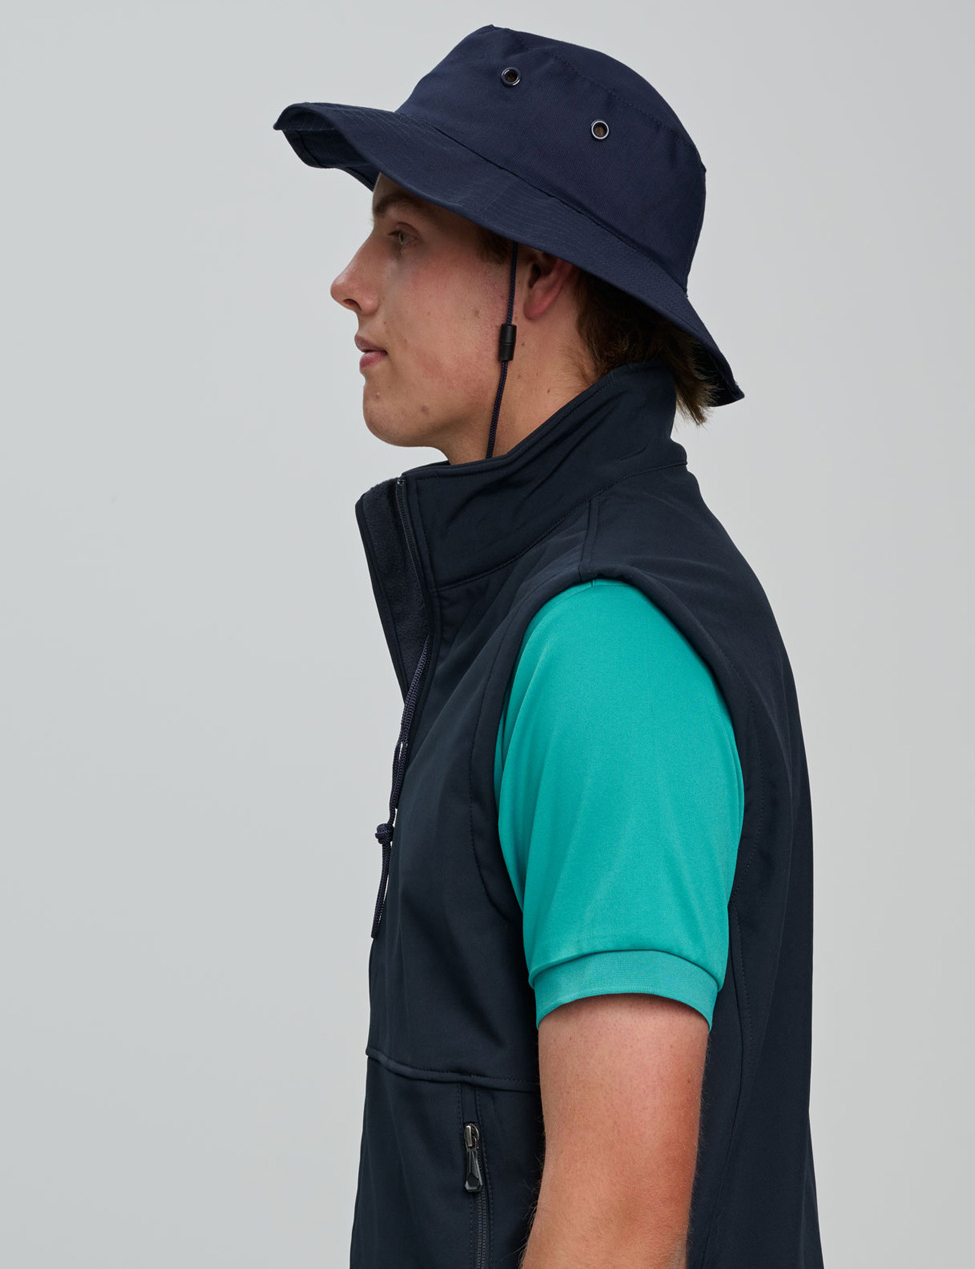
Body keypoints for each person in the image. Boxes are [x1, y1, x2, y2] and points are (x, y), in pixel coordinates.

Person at [274, 24, 823, 1269]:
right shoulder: (539, 602)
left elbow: (618, 1224)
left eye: (402, 236)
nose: (350, 282)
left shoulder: (602, 642)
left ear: (540, 275)